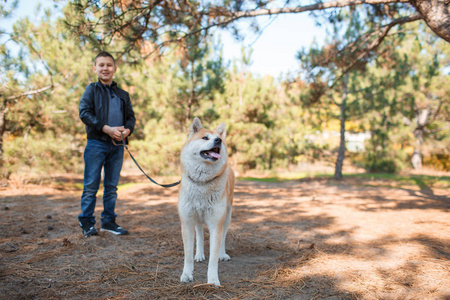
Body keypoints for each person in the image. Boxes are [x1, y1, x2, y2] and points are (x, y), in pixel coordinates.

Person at [78, 51, 136, 237]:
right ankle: (87, 223)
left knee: (111, 187)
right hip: (96, 143)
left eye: (109, 65)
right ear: (95, 68)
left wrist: (127, 130)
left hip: (117, 146)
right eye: (101, 65)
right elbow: (84, 113)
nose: (105, 68)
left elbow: (130, 118)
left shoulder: (123, 94)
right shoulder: (91, 90)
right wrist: (105, 128)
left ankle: (108, 222)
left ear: (114, 69)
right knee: (91, 186)